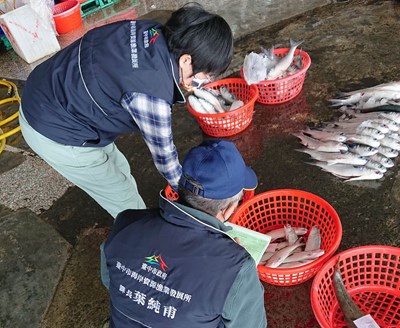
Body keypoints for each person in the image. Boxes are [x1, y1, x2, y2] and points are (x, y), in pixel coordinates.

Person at [19, 3, 234, 218]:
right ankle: (139, 240)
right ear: (185, 60)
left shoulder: (150, 32)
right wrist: (200, 207)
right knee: (125, 200)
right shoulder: (151, 93)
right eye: (207, 74)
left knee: (119, 167)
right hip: (53, 128)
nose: (207, 80)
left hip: (49, 88)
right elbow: (166, 160)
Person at [102, 139, 267, 328]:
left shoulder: (126, 222)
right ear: (228, 210)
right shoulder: (236, 268)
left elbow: (110, 280)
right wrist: (233, 260)